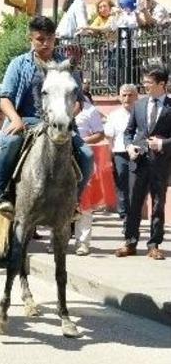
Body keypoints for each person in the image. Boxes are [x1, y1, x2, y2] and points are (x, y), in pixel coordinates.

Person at [0, 16, 94, 218]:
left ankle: (74, 201)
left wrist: (67, 115)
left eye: (50, 38)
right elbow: (5, 98)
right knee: (10, 143)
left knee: (87, 156)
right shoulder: (19, 64)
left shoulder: (65, 66)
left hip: (60, 123)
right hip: (26, 121)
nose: (46, 43)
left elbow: (78, 101)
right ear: (31, 38)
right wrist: (15, 119)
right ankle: (1, 195)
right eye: (40, 39)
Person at [116, 67, 171, 260]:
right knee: (133, 203)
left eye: (149, 82)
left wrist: (162, 143)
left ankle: (154, 245)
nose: (145, 85)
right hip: (138, 162)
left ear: (162, 84)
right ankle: (130, 242)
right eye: (145, 81)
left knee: (157, 204)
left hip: (160, 164)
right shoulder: (139, 105)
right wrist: (129, 146)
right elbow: (128, 132)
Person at [72, 96, 105, 256]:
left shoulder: (90, 111)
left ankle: (83, 242)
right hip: (60, 153)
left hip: (80, 153)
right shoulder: (56, 104)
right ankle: (57, 240)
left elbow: (100, 134)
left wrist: (82, 140)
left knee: (84, 203)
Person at [104, 84, 137, 224]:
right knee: (122, 185)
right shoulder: (114, 115)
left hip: (138, 154)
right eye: (124, 95)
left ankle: (133, 215)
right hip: (120, 154)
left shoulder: (141, 113)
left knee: (135, 186)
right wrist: (110, 158)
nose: (127, 98)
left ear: (136, 96)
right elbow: (109, 137)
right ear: (119, 97)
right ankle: (124, 216)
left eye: (130, 95)